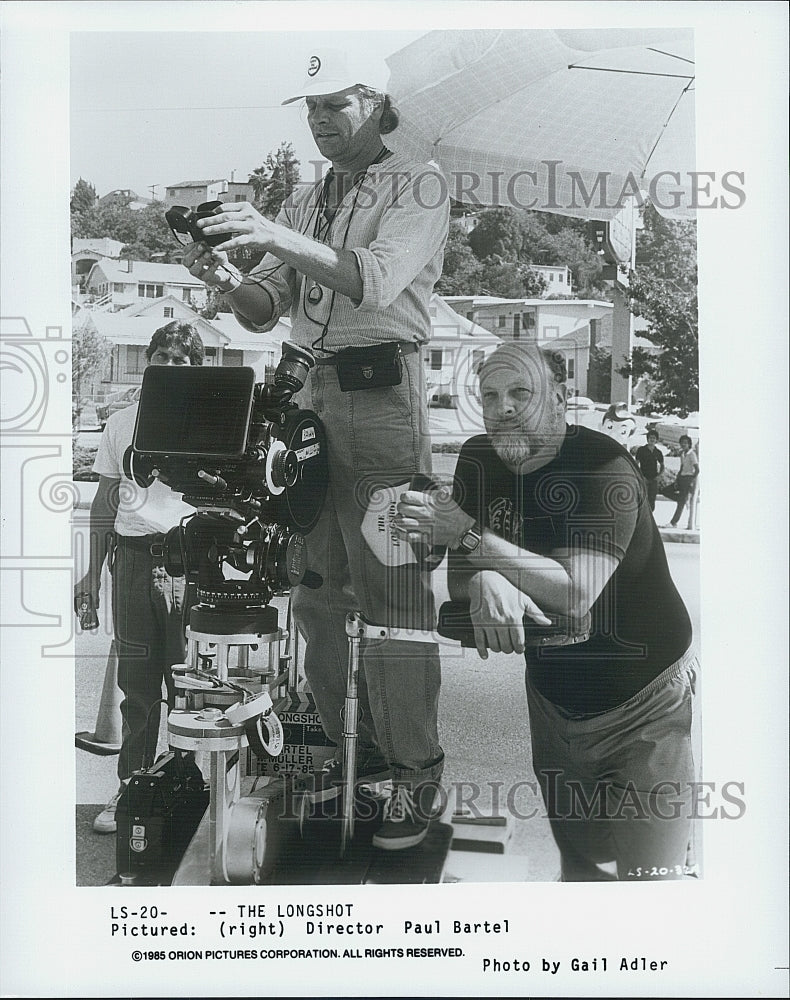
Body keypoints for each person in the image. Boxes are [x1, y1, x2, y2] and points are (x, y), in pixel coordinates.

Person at [180, 50, 450, 850]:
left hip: (379, 393)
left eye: (334, 105)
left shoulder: (420, 183)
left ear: (375, 101)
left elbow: (370, 278)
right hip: (308, 393)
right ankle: (337, 746)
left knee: (394, 589)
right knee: (318, 583)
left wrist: (267, 231)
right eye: (310, 109)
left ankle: (413, 771)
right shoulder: (307, 195)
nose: (320, 121)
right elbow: (266, 309)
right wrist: (227, 275)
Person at [394, 343, 698, 880]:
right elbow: (463, 575)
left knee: (652, 885)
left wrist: (467, 536)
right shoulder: (479, 458)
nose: (503, 407)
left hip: (645, 703)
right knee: (584, 870)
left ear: (558, 401)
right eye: (490, 395)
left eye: (520, 393)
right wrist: (485, 574)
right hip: (554, 701)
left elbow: (577, 591)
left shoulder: (605, 468)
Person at [75, 322, 205, 834]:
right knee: (137, 690)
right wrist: (89, 576)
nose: (170, 368)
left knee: (192, 690)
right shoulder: (120, 423)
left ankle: (189, 790)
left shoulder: (211, 422)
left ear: (196, 370)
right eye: (162, 357)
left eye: (182, 361)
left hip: (188, 562)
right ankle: (133, 790)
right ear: (148, 362)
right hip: (129, 560)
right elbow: (105, 503)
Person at [667, 434, 700, 529]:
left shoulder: (692, 454)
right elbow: (681, 467)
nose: (683, 444)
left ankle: (673, 522)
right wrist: (677, 478)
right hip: (681, 478)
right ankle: (682, 499)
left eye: (685, 443)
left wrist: (691, 480)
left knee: (680, 504)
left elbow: (697, 469)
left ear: (689, 444)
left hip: (687, 480)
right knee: (666, 491)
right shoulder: (682, 454)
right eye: (682, 443)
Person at [635, 428, 665, 512]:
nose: (652, 439)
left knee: (652, 500)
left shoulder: (658, 452)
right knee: (642, 499)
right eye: (650, 437)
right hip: (643, 478)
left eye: (654, 438)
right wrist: (640, 476)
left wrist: (659, 476)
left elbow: (662, 465)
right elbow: (636, 464)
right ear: (647, 439)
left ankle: (650, 520)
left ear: (656, 440)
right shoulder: (641, 450)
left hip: (653, 479)